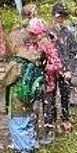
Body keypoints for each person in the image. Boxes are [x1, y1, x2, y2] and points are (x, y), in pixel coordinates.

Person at [0, 44, 42, 153]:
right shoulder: (32, 61)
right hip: (29, 98)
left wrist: (0, 73)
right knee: (28, 122)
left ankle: (23, 151)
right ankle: (30, 145)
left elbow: (6, 80)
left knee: (17, 125)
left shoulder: (16, 63)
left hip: (17, 99)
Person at [27, 17, 62, 145]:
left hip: (48, 83)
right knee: (34, 108)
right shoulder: (31, 46)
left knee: (48, 107)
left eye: (34, 34)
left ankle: (49, 131)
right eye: (30, 33)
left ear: (41, 34)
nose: (32, 36)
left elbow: (57, 64)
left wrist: (45, 67)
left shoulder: (48, 46)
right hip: (34, 83)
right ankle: (34, 133)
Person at [49, 3, 77, 133]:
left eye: (63, 16)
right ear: (53, 15)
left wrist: (70, 69)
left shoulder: (68, 33)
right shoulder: (47, 33)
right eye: (58, 15)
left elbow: (74, 51)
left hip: (65, 70)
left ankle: (66, 118)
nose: (60, 18)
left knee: (65, 95)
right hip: (51, 71)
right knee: (50, 96)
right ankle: (51, 121)